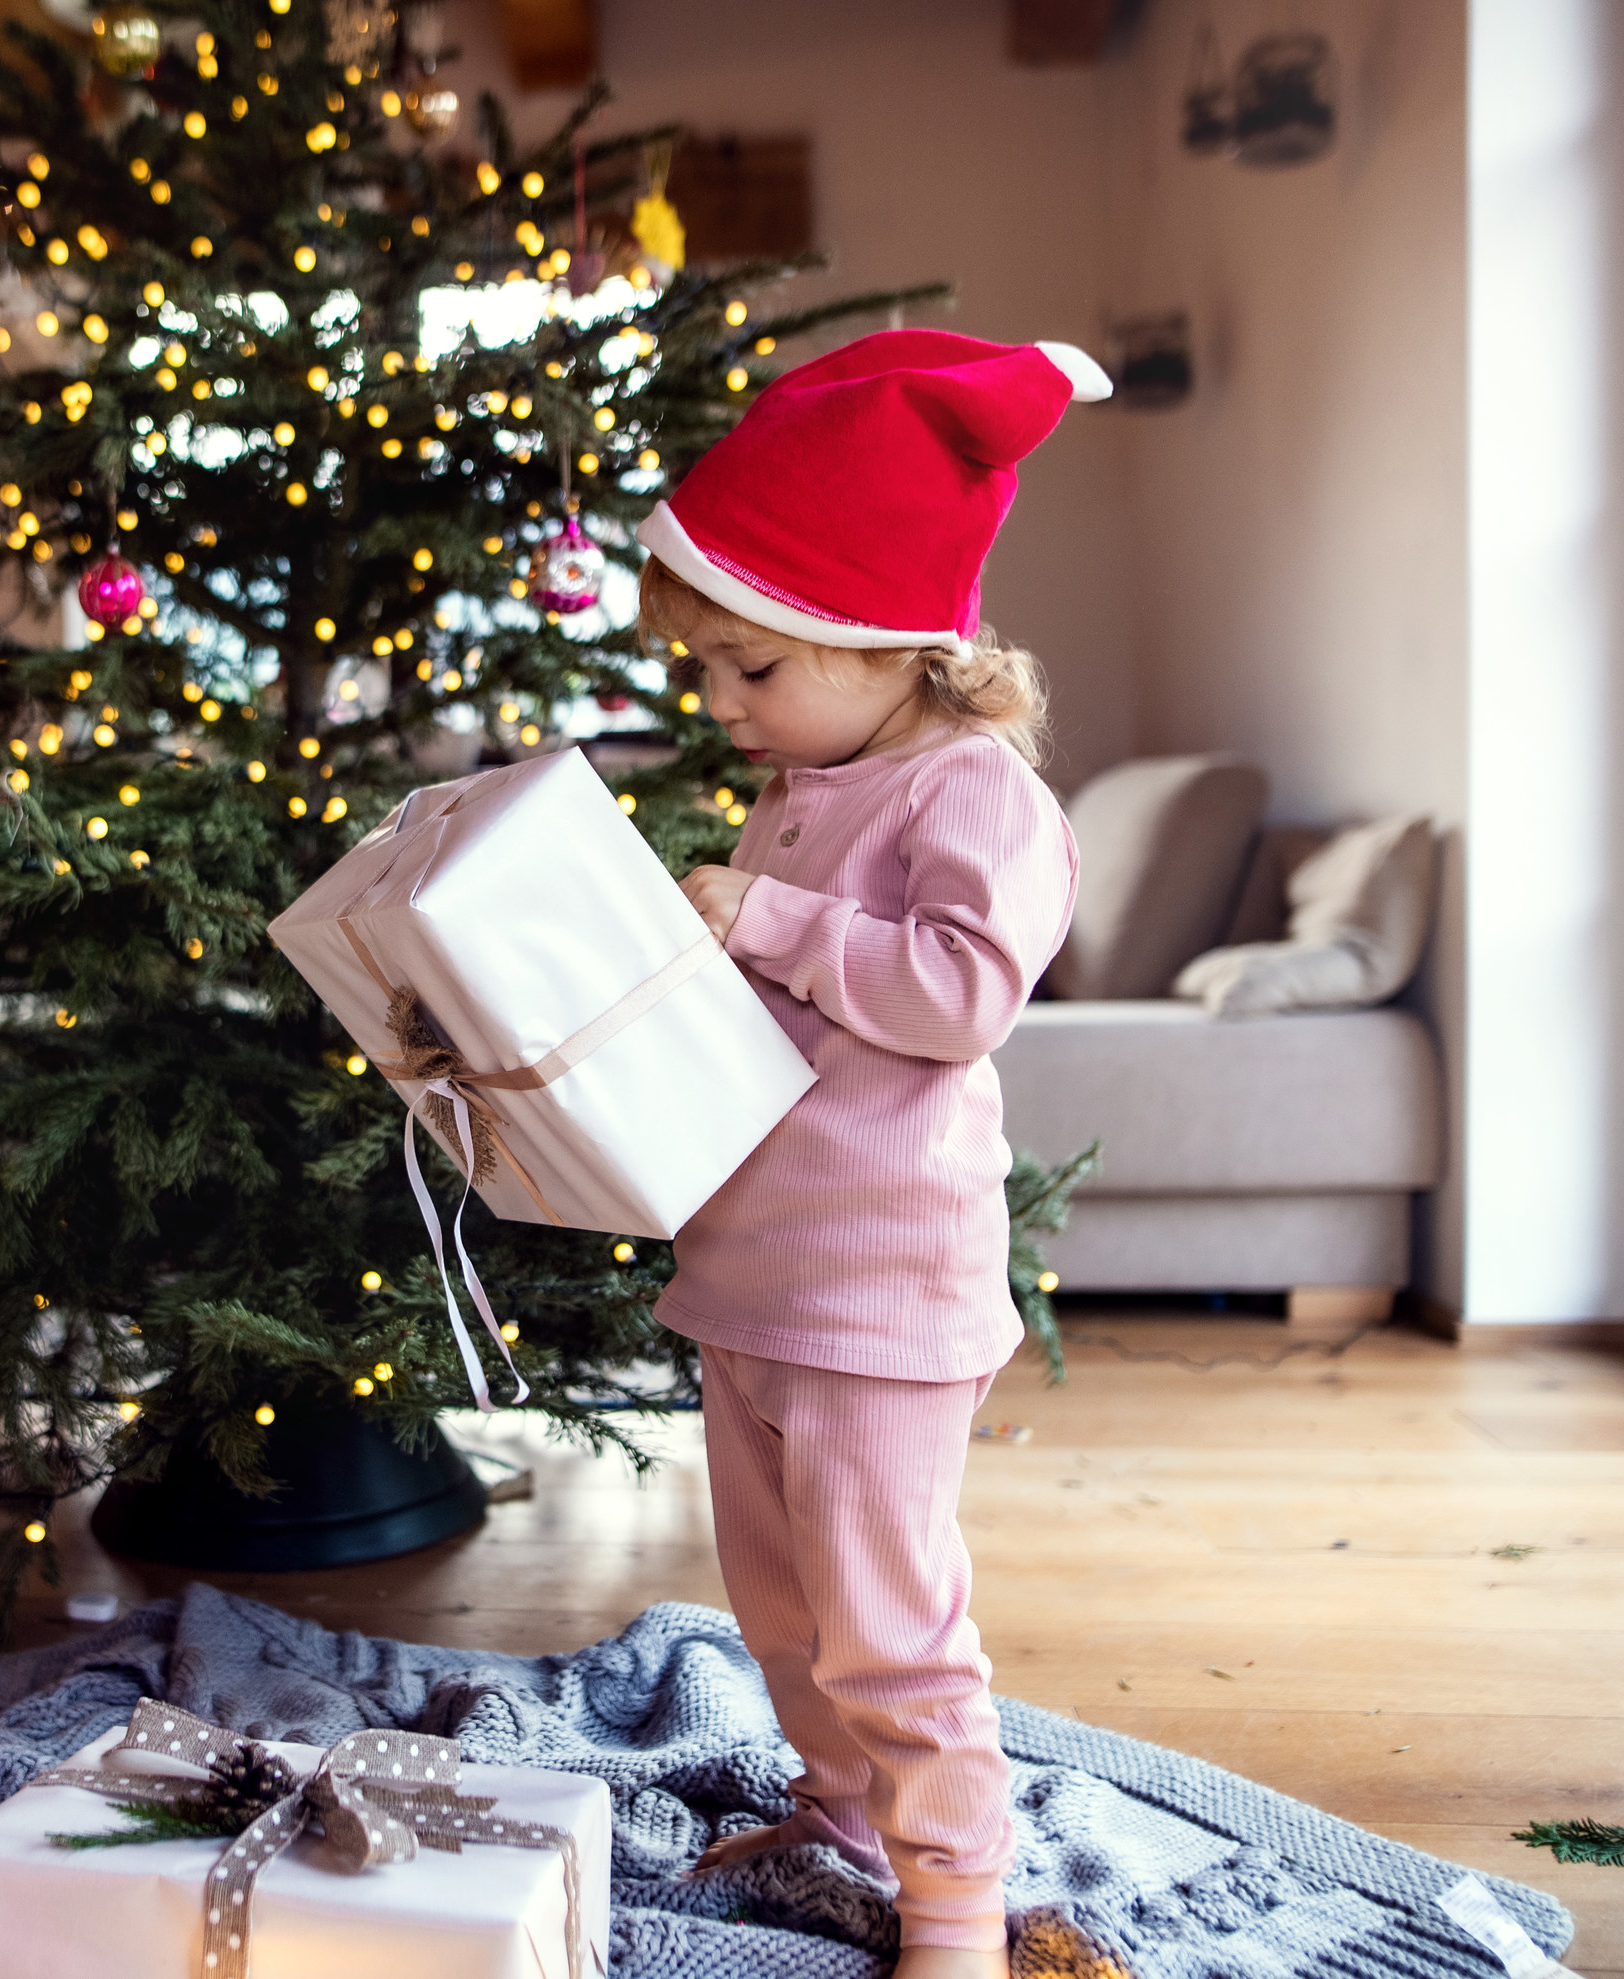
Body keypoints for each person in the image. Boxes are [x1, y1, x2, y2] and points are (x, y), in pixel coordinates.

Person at [635, 328, 1106, 1979]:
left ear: (885, 637)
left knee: (891, 1625)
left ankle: (959, 1902)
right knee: (781, 1608)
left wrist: (766, 914)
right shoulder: (804, 781)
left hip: (880, 1291)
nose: (721, 705)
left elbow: (961, 996)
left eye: (750, 667)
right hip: (755, 1279)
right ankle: (843, 1815)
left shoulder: (973, 795)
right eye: (706, 668)